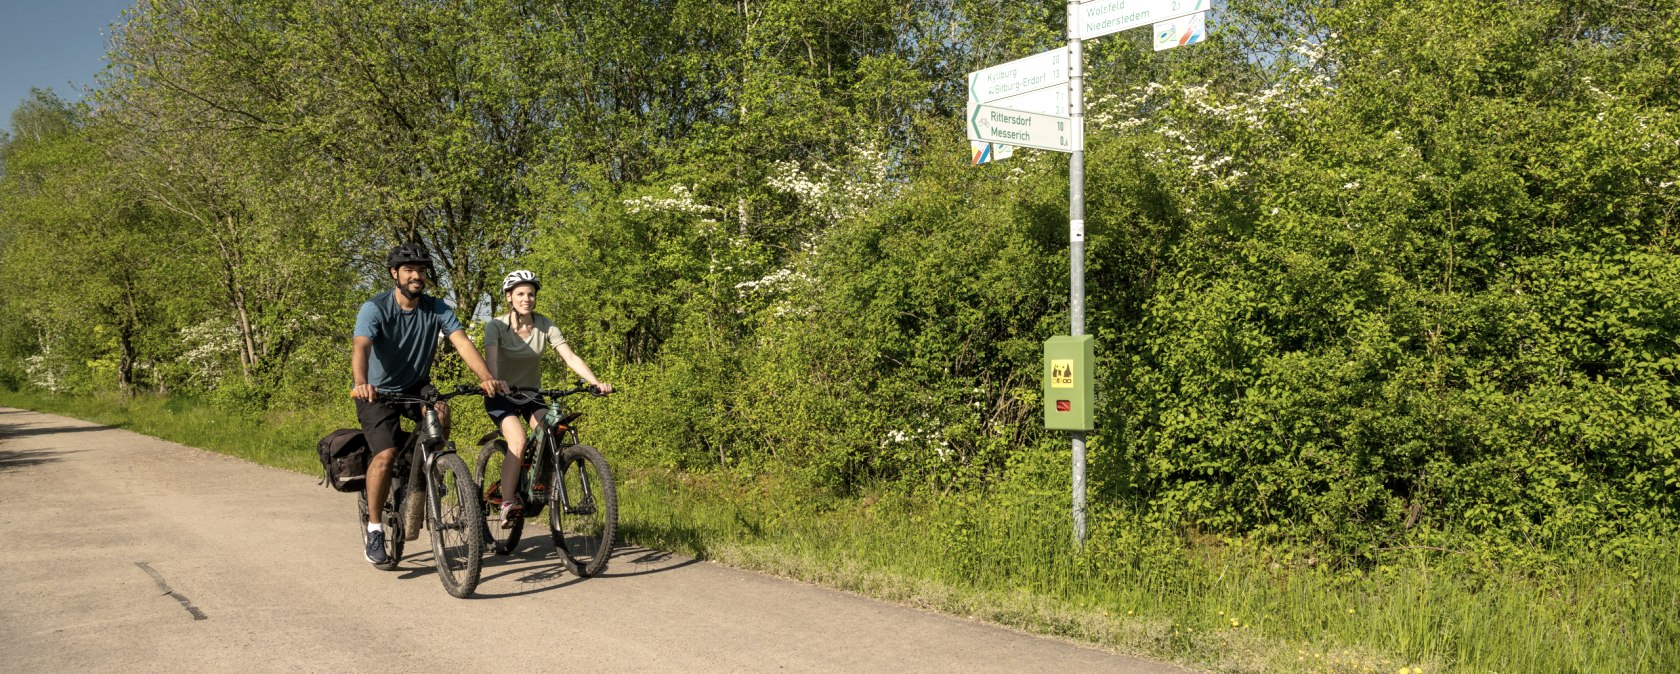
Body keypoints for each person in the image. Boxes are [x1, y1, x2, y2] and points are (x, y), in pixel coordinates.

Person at [350, 243, 505, 565]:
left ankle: (427, 475)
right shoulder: (375, 308)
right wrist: (361, 383)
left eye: (421, 270)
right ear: (395, 274)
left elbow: (461, 342)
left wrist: (486, 376)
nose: (416, 275)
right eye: (408, 270)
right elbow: (362, 346)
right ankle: (375, 528)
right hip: (377, 392)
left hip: (415, 385)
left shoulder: (436, 308)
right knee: (385, 454)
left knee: (442, 411)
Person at [482, 269, 613, 527]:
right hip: (501, 396)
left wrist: (595, 382)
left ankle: (536, 483)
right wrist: (497, 381)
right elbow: (491, 361)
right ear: (509, 297)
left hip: (531, 395)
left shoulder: (545, 325)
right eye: (520, 293)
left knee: (552, 431)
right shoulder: (496, 326)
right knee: (517, 441)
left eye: (531, 294)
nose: (526, 298)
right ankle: (508, 503)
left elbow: (570, 357)